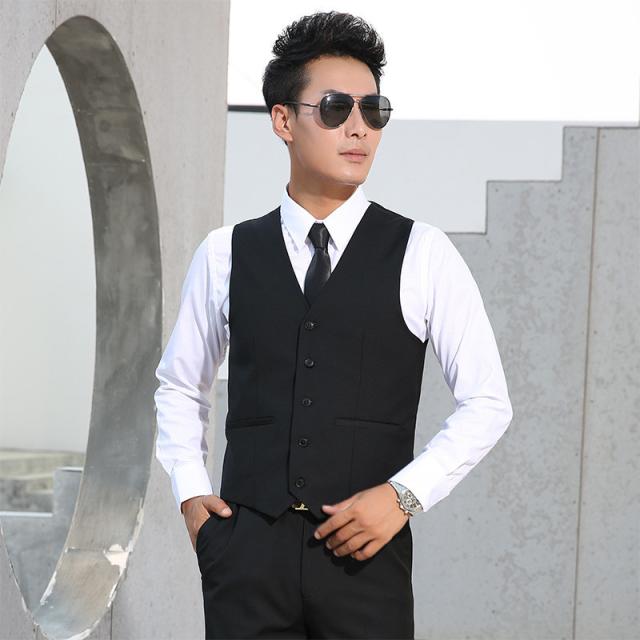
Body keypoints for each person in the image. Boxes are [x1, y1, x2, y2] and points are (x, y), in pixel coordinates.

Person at [154, 10, 513, 640]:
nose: (358, 127)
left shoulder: (423, 252)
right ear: (283, 120)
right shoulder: (225, 253)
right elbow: (180, 386)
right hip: (245, 559)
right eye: (335, 107)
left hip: (365, 562)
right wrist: (192, 497)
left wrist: (403, 496)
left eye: (373, 110)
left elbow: (488, 402)